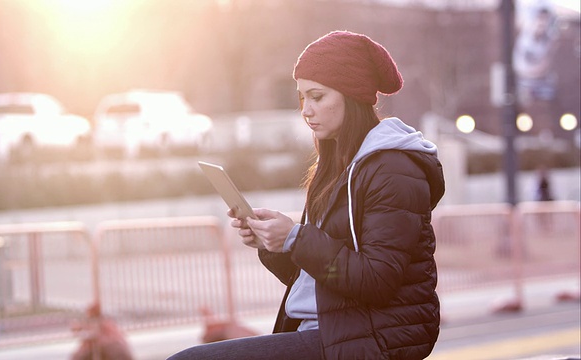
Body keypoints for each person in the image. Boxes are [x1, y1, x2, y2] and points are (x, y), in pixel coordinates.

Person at [168, 30, 445, 360]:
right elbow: (326, 279)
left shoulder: (394, 169)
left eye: (317, 96)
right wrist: (273, 244)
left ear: (351, 95)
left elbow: (376, 281)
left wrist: (296, 238)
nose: (306, 110)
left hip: (372, 336)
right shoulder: (335, 166)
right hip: (332, 328)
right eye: (301, 98)